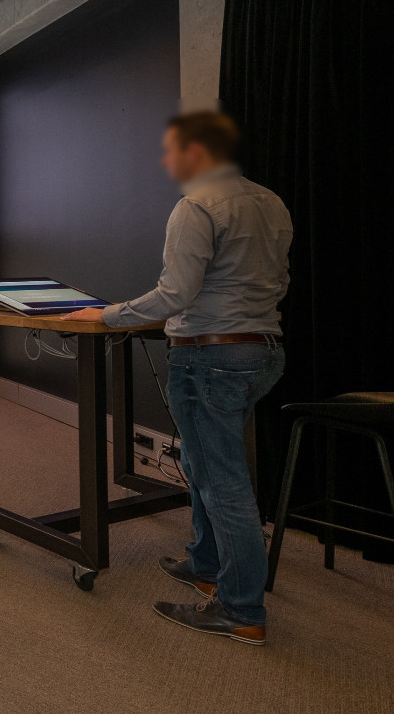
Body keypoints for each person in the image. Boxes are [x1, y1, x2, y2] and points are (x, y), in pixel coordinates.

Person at [62, 111, 292, 645]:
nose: (167, 161)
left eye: (172, 150)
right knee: (201, 462)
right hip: (262, 352)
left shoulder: (197, 205)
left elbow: (175, 294)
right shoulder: (271, 202)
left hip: (210, 358)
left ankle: (241, 610)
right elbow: (277, 281)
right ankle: (206, 565)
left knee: (222, 480)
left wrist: (106, 315)